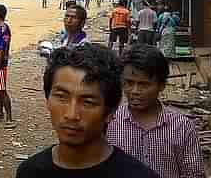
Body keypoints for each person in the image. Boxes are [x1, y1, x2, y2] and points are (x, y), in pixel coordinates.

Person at [16, 46, 160, 178]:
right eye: (61, 97)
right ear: (48, 100)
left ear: (110, 112)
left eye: (87, 102)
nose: (71, 115)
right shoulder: (30, 172)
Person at [107, 45, 205, 178]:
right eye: (129, 83)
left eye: (144, 84)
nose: (135, 91)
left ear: (162, 85)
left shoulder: (182, 127)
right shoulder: (110, 122)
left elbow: (194, 174)